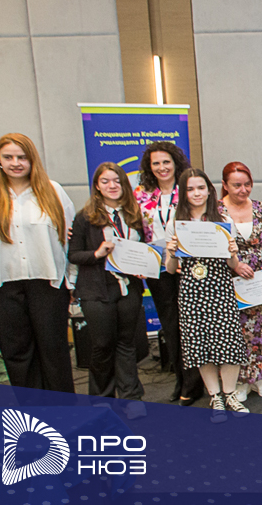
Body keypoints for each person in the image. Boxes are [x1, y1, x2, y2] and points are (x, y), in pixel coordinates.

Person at [0, 134, 76, 394]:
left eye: (22, 157)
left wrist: (73, 279)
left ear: (32, 160)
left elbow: (70, 239)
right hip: (1, 287)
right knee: (17, 354)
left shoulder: (53, 190)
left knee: (54, 350)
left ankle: (64, 410)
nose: (15, 163)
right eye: (8, 157)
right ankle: (32, 411)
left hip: (48, 284)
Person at [164, 168, 249, 422]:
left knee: (229, 342)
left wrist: (233, 252)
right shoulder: (176, 223)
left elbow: (233, 265)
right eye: (190, 189)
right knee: (200, 345)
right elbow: (170, 270)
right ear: (183, 193)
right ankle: (215, 396)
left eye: (201, 188)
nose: (196, 193)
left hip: (220, 287)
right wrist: (171, 253)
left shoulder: (222, 219)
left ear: (209, 190)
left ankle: (230, 394)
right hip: (192, 290)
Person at [68, 163, 148, 414]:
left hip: (128, 288)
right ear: (97, 186)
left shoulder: (134, 215)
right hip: (96, 289)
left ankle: (131, 397)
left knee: (127, 343)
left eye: (117, 180)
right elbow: (73, 255)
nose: (112, 186)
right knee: (102, 344)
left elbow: (143, 247)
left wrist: (143, 264)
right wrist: (97, 253)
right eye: (105, 181)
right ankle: (101, 397)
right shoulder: (84, 217)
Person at [133, 141, 203, 405]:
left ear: (175, 163)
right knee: (171, 325)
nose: (162, 167)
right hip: (157, 268)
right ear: (149, 167)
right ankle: (181, 379)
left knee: (191, 324)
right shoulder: (141, 194)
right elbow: (134, 229)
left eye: (166, 162)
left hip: (188, 266)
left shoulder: (188, 190)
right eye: (156, 163)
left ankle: (195, 382)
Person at [221, 162, 262, 402]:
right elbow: (215, 246)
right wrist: (235, 265)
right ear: (225, 185)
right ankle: (240, 379)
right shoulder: (217, 212)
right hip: (232, 278)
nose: (243, 190)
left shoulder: (261, 209)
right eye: (236, 185)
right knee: (239, 330)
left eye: (247, 185)